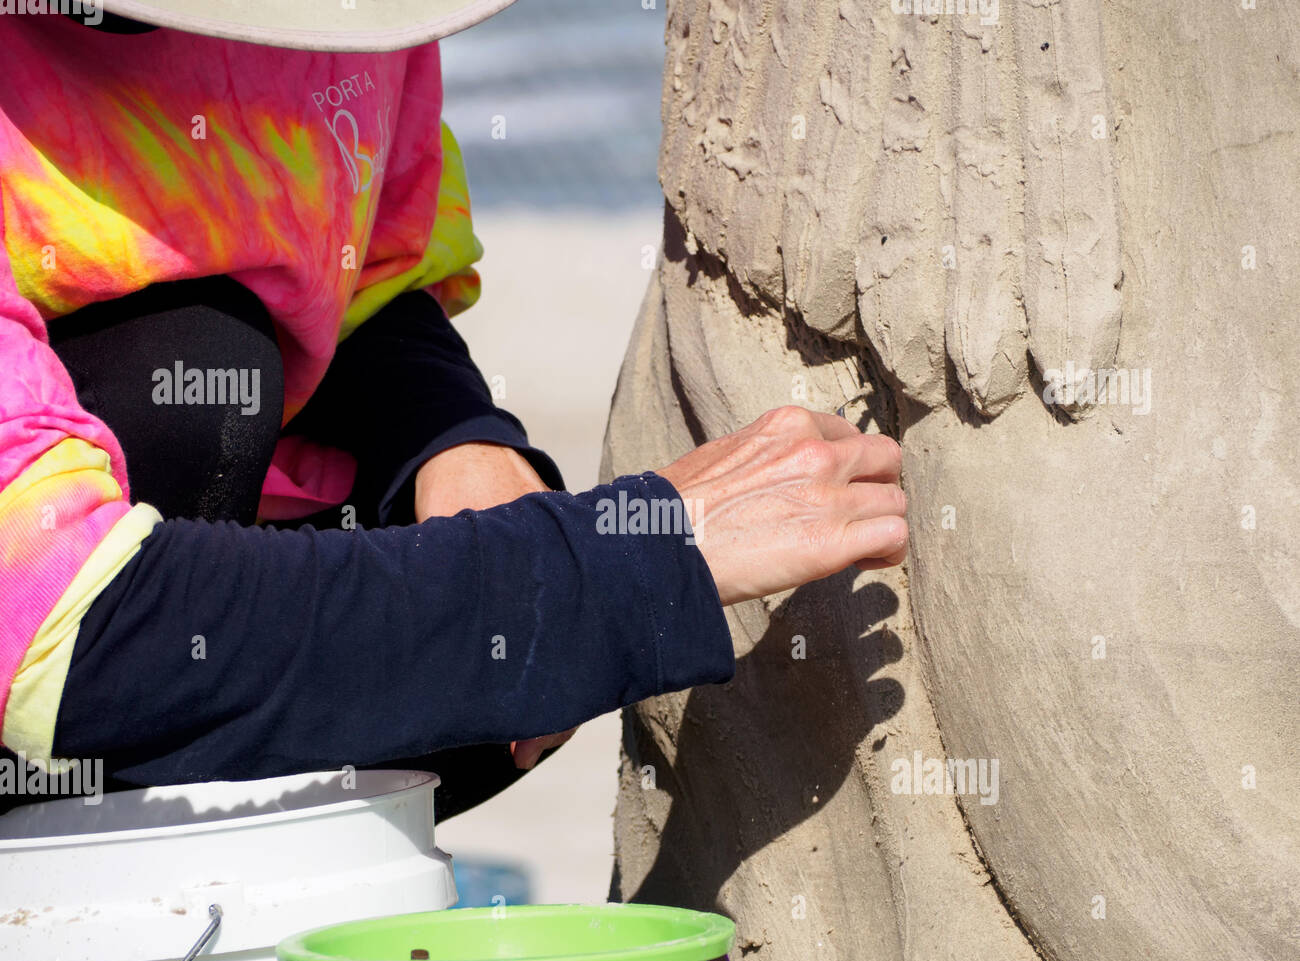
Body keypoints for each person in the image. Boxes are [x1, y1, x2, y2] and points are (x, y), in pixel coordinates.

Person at [0, 0, 907, 821]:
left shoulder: (346, 28)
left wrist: (446, 436)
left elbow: (352, 273)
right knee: (198, 386)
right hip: (69, 662)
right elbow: (73, 641)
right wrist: (619, 567)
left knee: (494, 690)